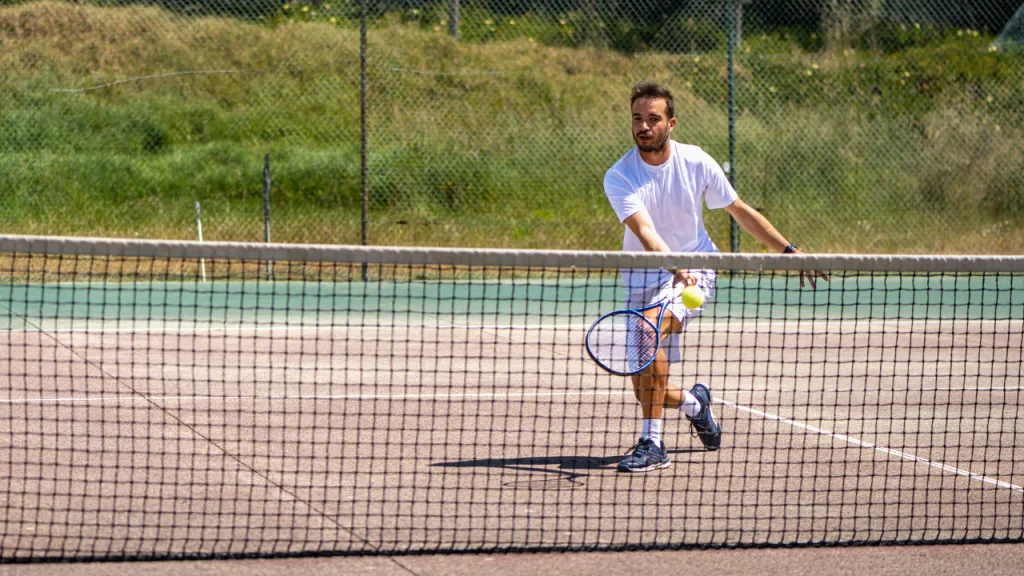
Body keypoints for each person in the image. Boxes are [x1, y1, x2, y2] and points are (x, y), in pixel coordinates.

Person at [603, 81, 828, 473]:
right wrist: (674, 267)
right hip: (644, 278)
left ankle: (652, 444)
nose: (643, 126)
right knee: (645, 387)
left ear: (670, 123)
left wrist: (788, 251)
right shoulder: (620, 175)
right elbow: (646, 232)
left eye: (653, 119)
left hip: (697, 271)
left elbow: (738, 209)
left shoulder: (696, 161)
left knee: (650, 329)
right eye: (637, 119)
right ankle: (696, 404)